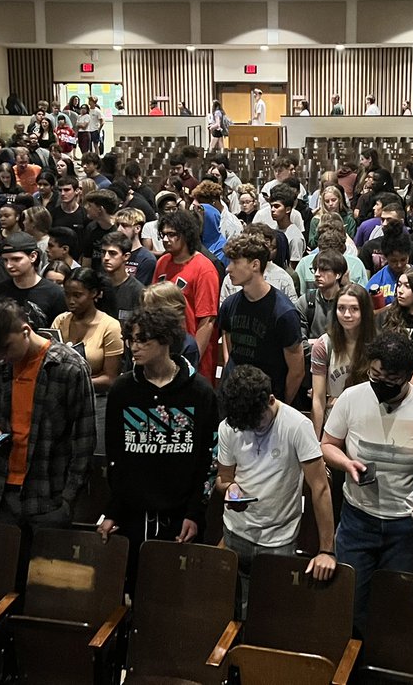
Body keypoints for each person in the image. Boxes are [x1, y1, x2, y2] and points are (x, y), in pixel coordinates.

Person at [98, 307, 219, 585]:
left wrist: (195, 512)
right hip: (132, 516)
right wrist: (113, 509)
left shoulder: (199, 392)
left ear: (165, 340)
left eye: (143, 340)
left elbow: (209, 459)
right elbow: (115, 458)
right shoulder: (123, 390)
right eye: (131, 340)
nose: (134, 347)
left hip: (180, 518)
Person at [321, 332, 413, 633]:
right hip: (358, 521)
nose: (380, 382)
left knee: (396, 610)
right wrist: (347, 463)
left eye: (390, 378)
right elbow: (327, 444)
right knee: (351, 606)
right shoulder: (352, 398)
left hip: (404, 525)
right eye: (375, 374)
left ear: (407, 376)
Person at [216, 365, 337, 618]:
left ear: (271, 400)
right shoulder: (230, 426)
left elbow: (320, 488)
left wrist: (327, 549)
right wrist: (231, 490)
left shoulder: (296, 426)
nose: (252, 429)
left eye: (256, 422)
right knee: (231, 613)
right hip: (236, 532)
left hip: (278, 540)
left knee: (274, 616)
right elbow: (224, 479)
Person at [0, 299, 96, 528]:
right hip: (0, 493)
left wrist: (68, 499)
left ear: (25, 331)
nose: (2, 357)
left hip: (48, 495)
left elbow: (84, 440)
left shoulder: (69, 367)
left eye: (6, 348)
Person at [219, 233, 305, 403]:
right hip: (233, 396)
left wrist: (280, 407)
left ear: (255, 265)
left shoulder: (283, 313)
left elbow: (297, 371)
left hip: (266, 402)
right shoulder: (229, 304)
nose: (228, 268)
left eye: (235, 262)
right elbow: (228, 340)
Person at [53, 267, 122, 458]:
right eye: (67, 295)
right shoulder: (60, 321)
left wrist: (75, 381)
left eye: (77, 295)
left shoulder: (110, 326)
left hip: (96, 403)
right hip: (62, 403)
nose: (71, 301)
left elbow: (110, 378)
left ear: (94, 294)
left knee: (92, 459)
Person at [154, 208, 221, 380]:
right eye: (163, 235)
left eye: (172, 234)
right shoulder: (162, 262)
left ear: (186, 234)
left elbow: (207, 321)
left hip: (191, 353)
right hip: (164, 350)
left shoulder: (204, 268)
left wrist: (192, 359)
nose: (166, 240)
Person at [311, 283, 376, 435]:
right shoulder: (324, 345)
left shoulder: (377, 343)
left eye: (354, 309)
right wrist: (316, 440)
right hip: (333, 423)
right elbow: (318, 399)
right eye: (341, 308)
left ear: (364, 311)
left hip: (367, 421)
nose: (347, 314)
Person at [0, 232, 68, 329]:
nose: (9, 265)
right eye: (5, 260)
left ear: (33, 256)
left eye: (16, 259)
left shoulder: (56, 294)